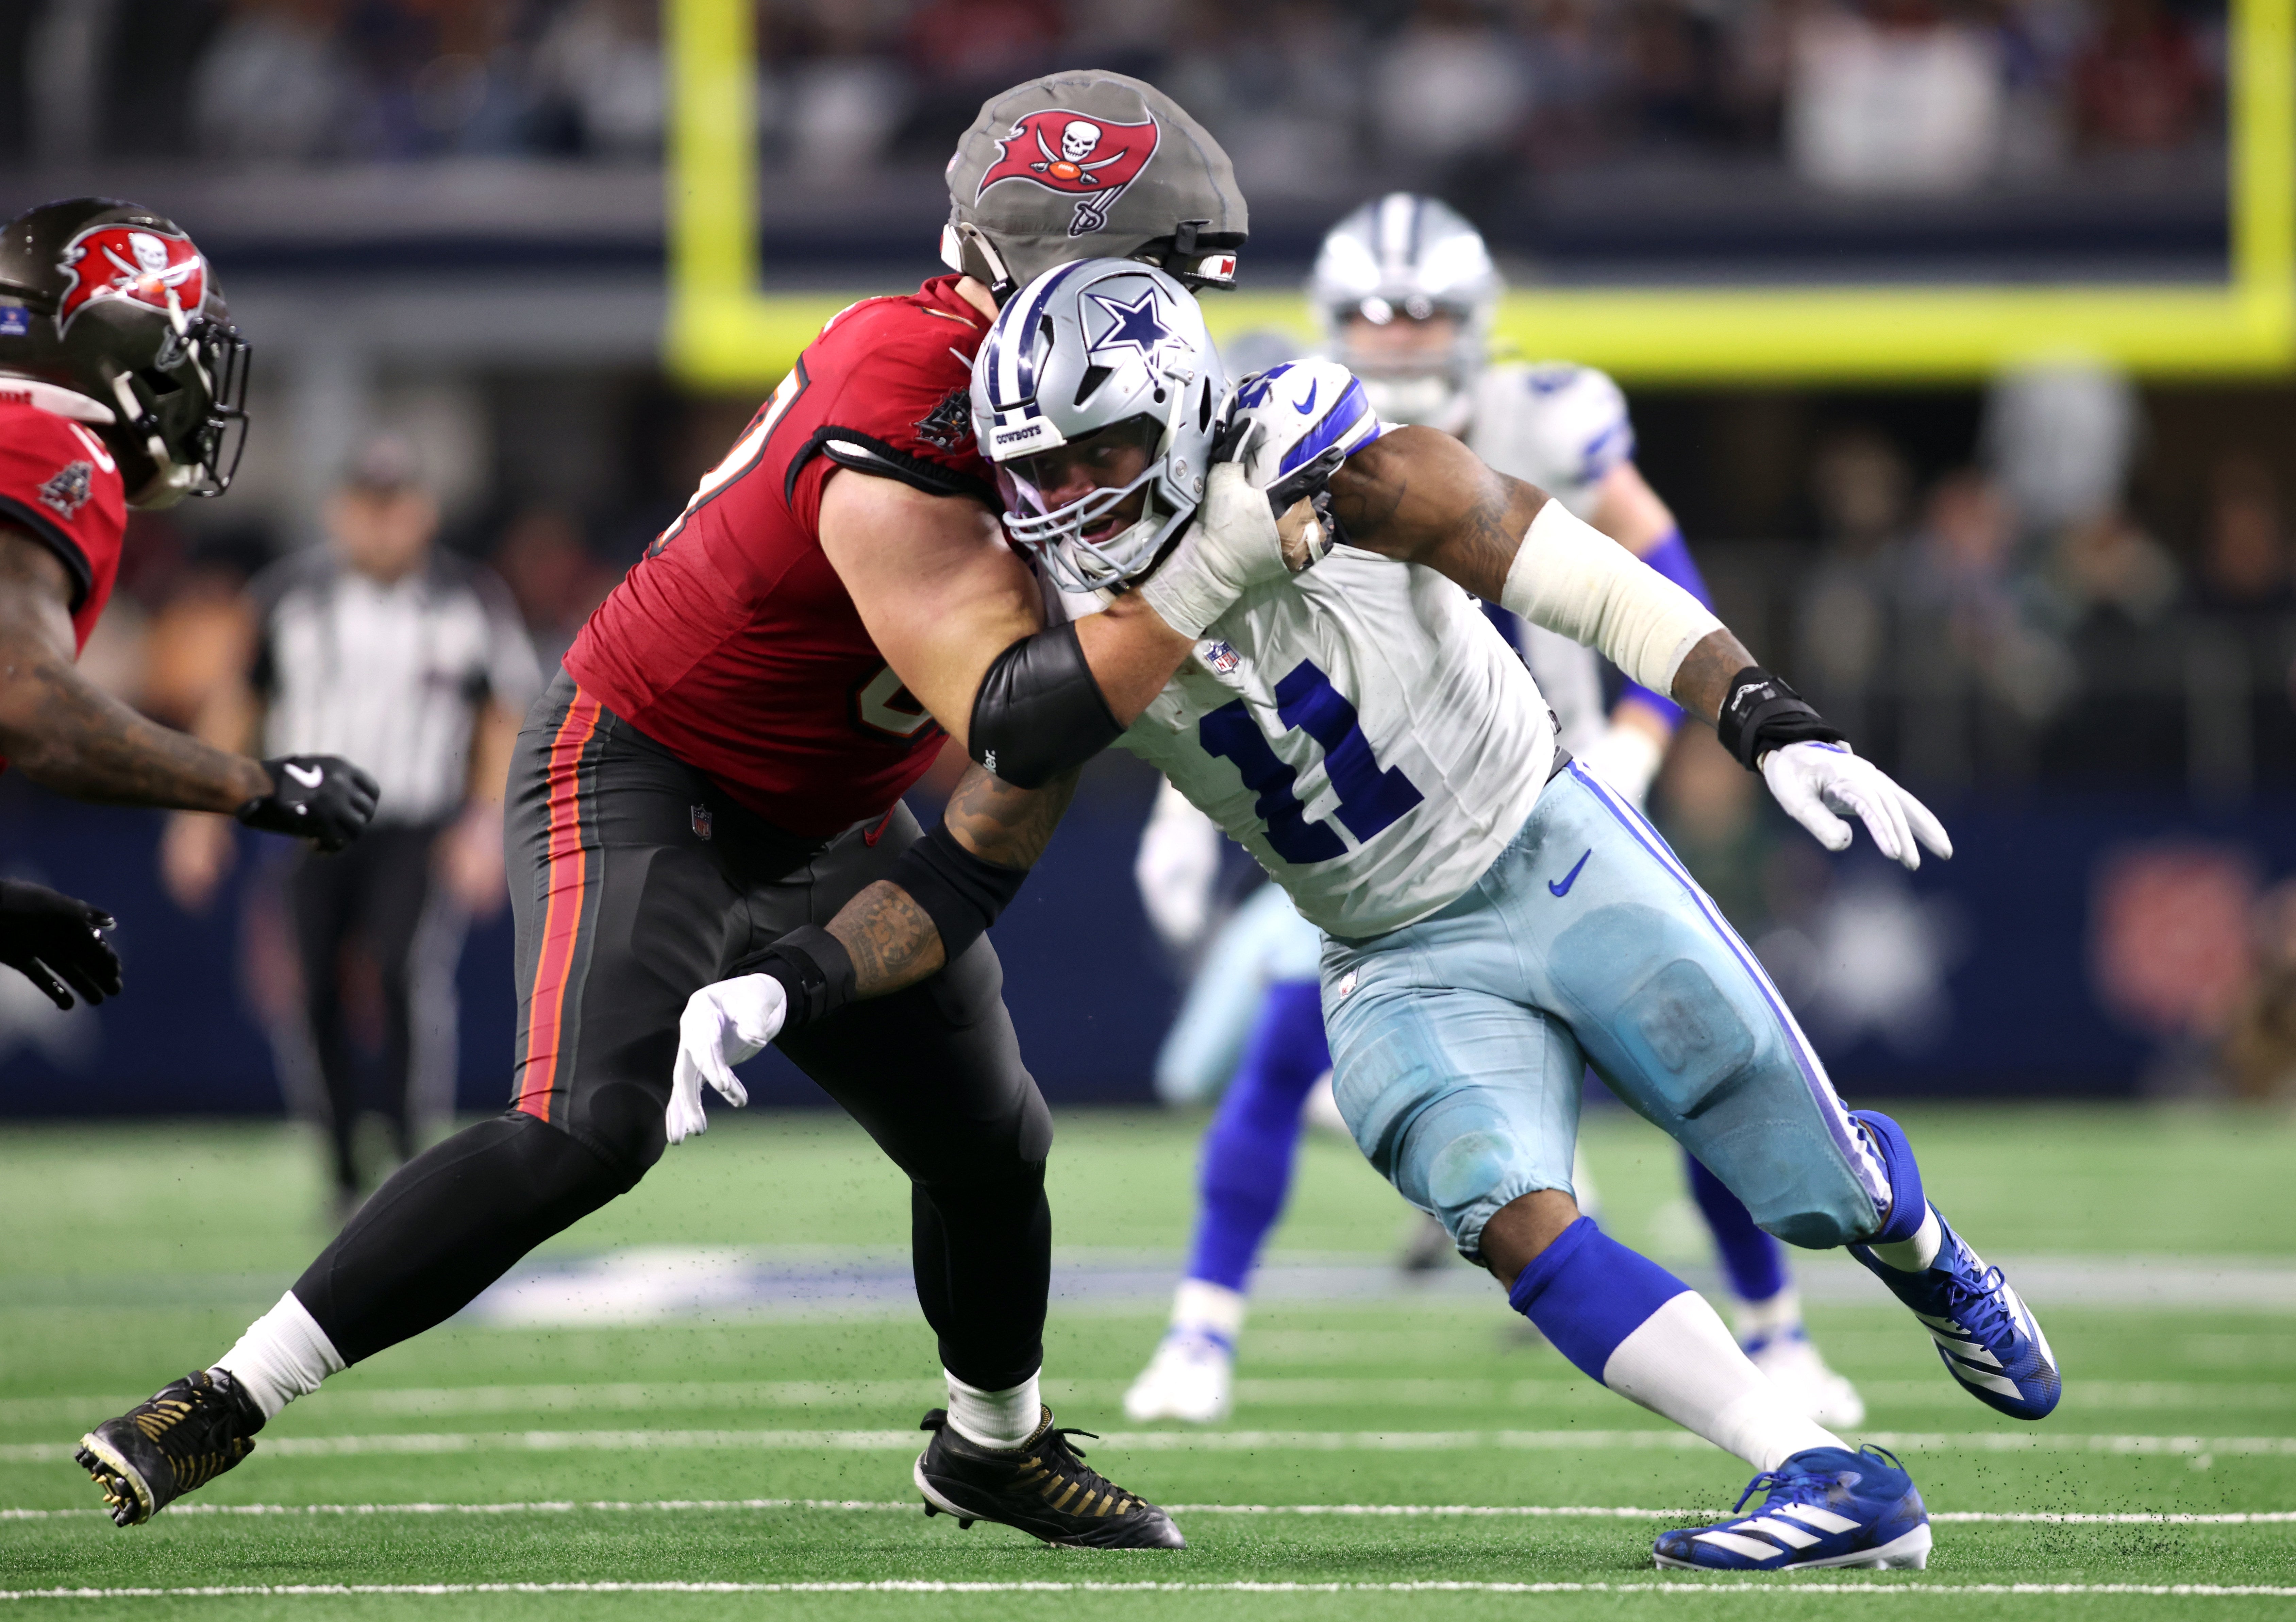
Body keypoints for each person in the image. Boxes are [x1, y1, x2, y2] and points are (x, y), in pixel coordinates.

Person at [673, 258, 2059, 1571]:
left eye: (1097, 451)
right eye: (1036, 465)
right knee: (1505, 1209)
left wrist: (1767, 718)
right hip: (1384, 950)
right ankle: (1818, 1469)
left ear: (1173, 413)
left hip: (1545, 848)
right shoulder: (1058, 624)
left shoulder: (1333, 467)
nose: (1067, 494)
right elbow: (972, 860)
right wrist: (783, 985)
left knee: (1815, 1186)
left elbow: (1564, 567)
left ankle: (1925, 1250)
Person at [77, 73, 1259, 1550]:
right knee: (589, 1128)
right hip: (651, 766)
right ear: (1048, 265)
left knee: (989, 1140)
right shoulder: (915, 391)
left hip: (833, 805)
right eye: (1144, 276)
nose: (1165, 319)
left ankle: (992, 1447)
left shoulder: (1038, 379)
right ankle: (228, 1395)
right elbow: (1011, 715)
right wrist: (1223, 558)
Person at [1122, 197, 1862, 1433]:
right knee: (1267, 1050)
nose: (1397, 336)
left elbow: (1656, 573)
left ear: (1474, 323)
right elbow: (1209, 656)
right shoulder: (1265, 434)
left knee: (1697, 1060)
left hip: (1550, 794)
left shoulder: (1547, 418)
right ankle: (1202, 1330)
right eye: (1370, 311)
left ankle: (1778, 1336)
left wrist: (1635, 748)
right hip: (1380, 823)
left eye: (1421, 312)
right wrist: (1175, 818)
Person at [0, 197, 379, 1009]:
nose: (201, 382)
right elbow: (25, 701)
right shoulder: (42, 441)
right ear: (129, 345)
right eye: (190, 349)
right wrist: (251, 784)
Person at [161, 436, 544, 1213]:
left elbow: (501, 720)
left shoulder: (466, 600)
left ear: (423, 512)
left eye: (395, 506)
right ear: (339, 513)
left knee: (402, 974)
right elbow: (240, 703)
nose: (381, 524)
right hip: (312, 825)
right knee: (311, 992)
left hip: (414, 819)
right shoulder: (291, 597)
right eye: (367, 507)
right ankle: (340, 1164)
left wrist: (481, 825)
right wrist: (200, 815)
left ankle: (407, 1153)